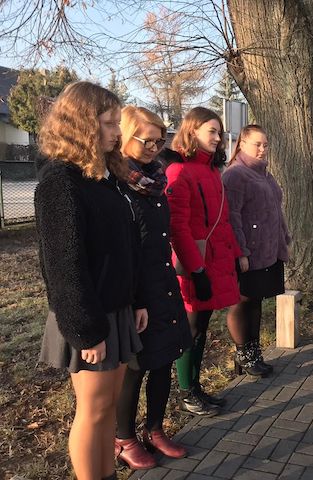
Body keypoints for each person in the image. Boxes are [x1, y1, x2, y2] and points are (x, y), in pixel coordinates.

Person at [35, 82, 145, 480]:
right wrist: (86, 331)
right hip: (88, 316)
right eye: (109, 123)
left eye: (117, 122)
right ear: (82, 124)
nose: (118, 132)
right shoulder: (60, 182)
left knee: (108, 408)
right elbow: (63, 267)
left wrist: (137, 300)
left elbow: (126, 247)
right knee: (93, 410)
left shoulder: (104, 178)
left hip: (117, 309)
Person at [114, 106, 193, 469]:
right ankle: (124, 438)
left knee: (165, 357)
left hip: (163, 282)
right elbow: (122, 249)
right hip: (137, 289)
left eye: (160, 141)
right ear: (124, 136)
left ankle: (155, 429)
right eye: (147, 140)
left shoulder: (155, 181)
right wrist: (135, 299)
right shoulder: (117, 185)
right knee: (136, 366)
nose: (154, 148)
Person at [165, 107, 242, 416]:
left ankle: (195, 387)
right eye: (211, 131)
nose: (218, 137)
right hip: (194, 263)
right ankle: (186, 391)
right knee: (191, 327)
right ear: (191, 131)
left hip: (214, 261)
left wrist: (234, 256)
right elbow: (178, 227)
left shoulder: (211, 171)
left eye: (219, 132)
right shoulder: (179, 171)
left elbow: (222, 222)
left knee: (202, 325)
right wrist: (196, 270)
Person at [223, 124, 291, 377]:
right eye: (257, 144)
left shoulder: (264, 174)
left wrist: (284, 238)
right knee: (242, 301)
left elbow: (276, 211)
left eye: (265, 144)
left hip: (268, 251)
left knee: (256, 301)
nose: (262, 149)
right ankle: (243, 354)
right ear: (242, 144)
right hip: (248, 252)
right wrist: (241, 251)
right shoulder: (235, 174)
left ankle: (254, 352)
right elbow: (232, 216)